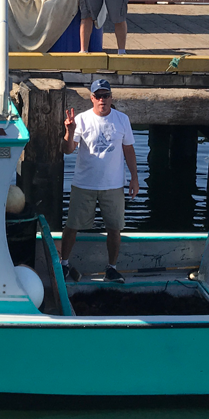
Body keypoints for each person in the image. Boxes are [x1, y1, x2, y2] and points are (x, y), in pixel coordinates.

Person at [59, 79, 139, 282]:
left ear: (111, 98)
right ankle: (64, 264)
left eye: (106, 96)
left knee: (115, 228)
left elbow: (128, 149)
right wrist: (69, 131)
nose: (102, 100)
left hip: (113, 186)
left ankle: (111, 268)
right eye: (98, 96)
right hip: (84, 184)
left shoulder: (122, 119)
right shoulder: (82, 119)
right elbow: (68, 150)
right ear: (92, 98)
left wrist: (134, 179)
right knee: (72, 226)